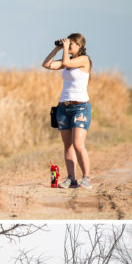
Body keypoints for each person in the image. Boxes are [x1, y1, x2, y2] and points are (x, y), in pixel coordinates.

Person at [42, 33, 93, 189]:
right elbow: (46, 64)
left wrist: (64, 50)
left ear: (79, 45)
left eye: (71, 44)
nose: (69, 46)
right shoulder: (68, 61)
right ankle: (71, 178)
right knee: (68, 145)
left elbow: (66, 62)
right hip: (64, 107)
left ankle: (87, 178)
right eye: (68, 44)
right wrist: (57, 49)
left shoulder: (84, 60)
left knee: (78, 144)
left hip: (80, 107)